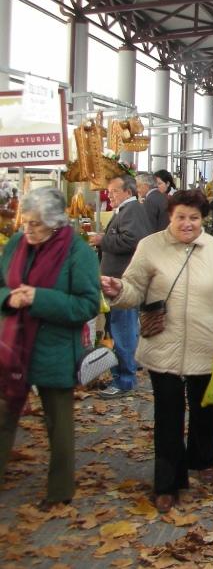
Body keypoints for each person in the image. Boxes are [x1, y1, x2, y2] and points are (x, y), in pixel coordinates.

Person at [100, 189, 213, 513]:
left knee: (204, 407)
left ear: (203, 219)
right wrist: (119, 290)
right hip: (162, 345)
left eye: (194, 217)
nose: (187, 223)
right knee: (168, 414)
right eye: (181, 216)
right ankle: (167, 482)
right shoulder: (150, 246)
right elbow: (134, 288)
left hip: (207, 343)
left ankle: (203, 459)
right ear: (170, 216)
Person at [0, 188, 101, 508]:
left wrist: (38, 298)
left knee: (58, 424)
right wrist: (9, 298)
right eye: (25, 222)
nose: (27, 230)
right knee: (3, 415)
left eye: (36, 224)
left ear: (56, 223)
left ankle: (59, 490)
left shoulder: (77, 252)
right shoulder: (17, 244)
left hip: (54, 349)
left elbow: (87, 305)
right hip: (12, 346)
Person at [88, 174, 152, 398]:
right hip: (118, 281)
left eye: (114, 191)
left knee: (123, 330)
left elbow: (132, 241)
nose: (110, 195)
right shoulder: (126, 210)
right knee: (122, 329)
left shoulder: (132, 210)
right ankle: (125, 372)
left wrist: (102, 240)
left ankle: (124, 380)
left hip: (123, 283)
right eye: (109, 191)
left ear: (128, 192)